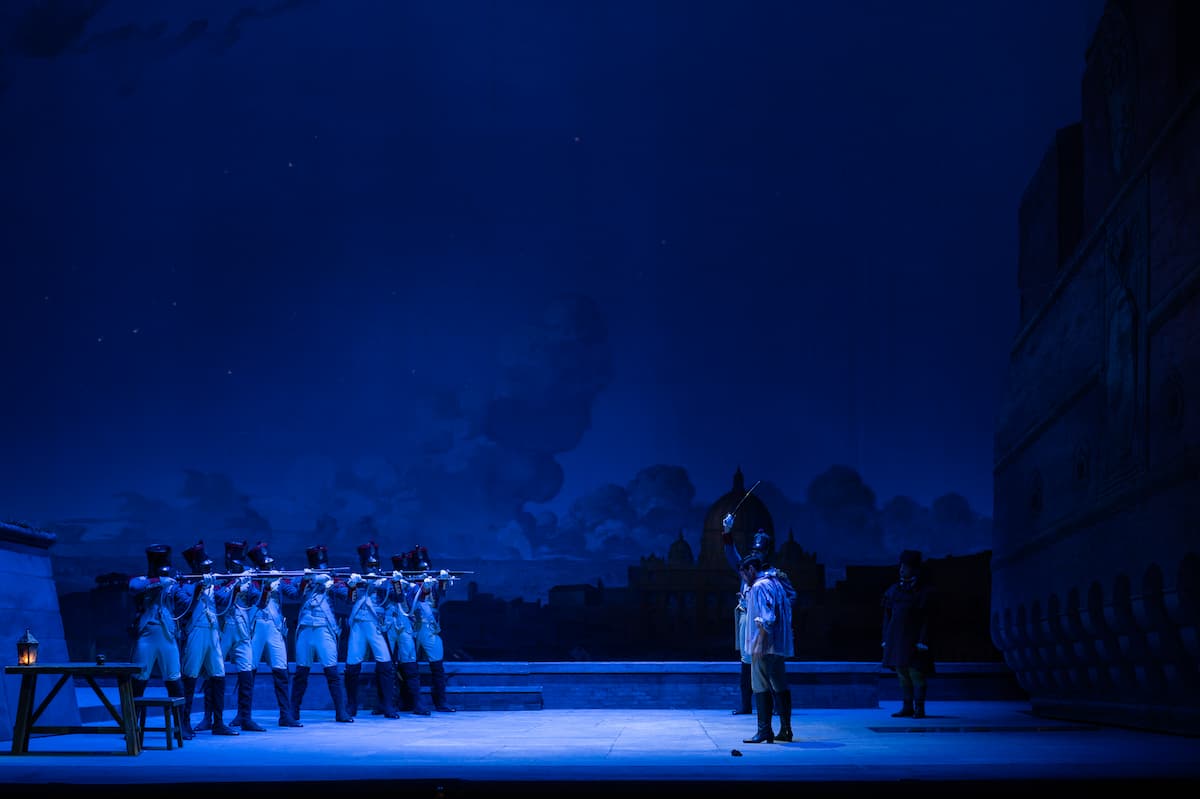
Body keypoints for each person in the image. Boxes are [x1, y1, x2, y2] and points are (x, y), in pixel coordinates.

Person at [281, 544, 354, 723]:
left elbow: (347, 596)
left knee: (332, 671)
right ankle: (294, 711)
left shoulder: (332, 579)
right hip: (305, 628)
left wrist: (350, 586)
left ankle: (340, 711)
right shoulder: (303, 578)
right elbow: (293, 594)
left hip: (324, 628)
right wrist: (308, 580)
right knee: (301, 673)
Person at [179, 540, 240, 736]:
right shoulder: (185, 585)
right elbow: (184, 607)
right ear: (196, 567)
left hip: (213, 632)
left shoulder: (211, 586)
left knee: (218, 675)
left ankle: (219, 722)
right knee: (190, 676)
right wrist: (198, 588)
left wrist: (235, 584)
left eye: (210, 567)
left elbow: (223, 599)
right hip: (196, 631)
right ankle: (184, 722)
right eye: (205, 567)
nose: (209, 570)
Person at [127, 545, 190, 734]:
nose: (165, 570)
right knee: (138, 680)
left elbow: (185, 602)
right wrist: (161, 581)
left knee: (174, 680)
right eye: (160, 566)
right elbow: (134, 587)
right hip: (147, 634)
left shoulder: (172, 584)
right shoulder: (142, 581)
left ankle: (180, 726)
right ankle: (131, 726)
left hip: (167, 636)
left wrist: (199, 590)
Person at [738, 552, 796, 744]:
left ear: (751, 569)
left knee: (760, 685)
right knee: (779, 684)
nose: (744, 579)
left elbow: (767, 618)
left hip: (765, 645)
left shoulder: (759, 586)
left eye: (744, 574)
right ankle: (786, 730)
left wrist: (759, 643)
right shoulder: (775, 582)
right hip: (778, 645)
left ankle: (764, 731)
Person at [245, 540, 303, 727]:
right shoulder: (252, 580)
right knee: (249, 671)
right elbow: (258, 601)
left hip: (274, 627)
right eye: (266, 565)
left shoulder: (278, 578)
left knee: (281, 670)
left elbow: (294, 594)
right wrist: (267, 588)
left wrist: (305, 581)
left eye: (270, 564)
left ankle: (285, 714)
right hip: (256, 626)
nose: (270, 567)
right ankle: (243, 714)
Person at [721, 513, 773, 715]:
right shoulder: (747, 567)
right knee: (745, 661)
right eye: (754, 550)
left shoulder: (771, 575)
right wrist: (727, 531)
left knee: (766, 664)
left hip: (764, 622)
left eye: (760, 551)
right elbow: (731, 554)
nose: (756, 554)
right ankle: (746, 704)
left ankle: (771, 706)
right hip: (746, 618)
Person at [343, 541, 400, 719]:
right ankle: (351, 704)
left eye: (375, 565)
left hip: (376, 625)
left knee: (385, 664)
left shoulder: (384, 581)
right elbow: (350, 600)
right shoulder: (357, 579)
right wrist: (352, 585)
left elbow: (397, 597)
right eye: (370, 565)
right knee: (352, 666)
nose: (373, 568)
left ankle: (388, 705)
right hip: (359, 625)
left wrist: (396, 583)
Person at [218, 539, 267, 731]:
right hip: (224, 630)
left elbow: (259, 603)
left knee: (246, 675)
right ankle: (211, 718)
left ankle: (246, 717)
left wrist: (265, 586)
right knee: (214, 674)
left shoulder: (248, 577)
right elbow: (220, 599)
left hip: (242, 629)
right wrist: (236, 584)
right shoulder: (222, 577)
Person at [882, 549, 935, 719]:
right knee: (902, 671)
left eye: (906, 567)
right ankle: (907, 706)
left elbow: (927, 618)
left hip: (914, 638)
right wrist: (886, 638)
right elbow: (887, 616)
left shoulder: (924, 592)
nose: (902, 570)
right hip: (897, 637)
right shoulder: (894, 590)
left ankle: (919, 707)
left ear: (915, 569)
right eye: (901, 566)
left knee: (915, 672)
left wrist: (923, 640)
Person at [376, 553, 431, 716]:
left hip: (405, 625)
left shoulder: (412, 585)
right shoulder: (385, 583)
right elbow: (394, 596)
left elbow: (418, 598)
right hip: (389, 625)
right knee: (385, 665)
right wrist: (396, 582)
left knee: (410, 663)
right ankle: (386, 704)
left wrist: (426, 586)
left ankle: (416, 703)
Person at [408, 547, 457, 713]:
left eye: (427, 568)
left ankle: (441, 701)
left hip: (429, 628)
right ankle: (412, 702)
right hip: (413, 627)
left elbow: (440, 593)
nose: (425, 571)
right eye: (422, 569)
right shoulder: (408, 583)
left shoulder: (432, 582)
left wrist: (443, 579)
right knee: (408, 666)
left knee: (437, 665)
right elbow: (410, 600)